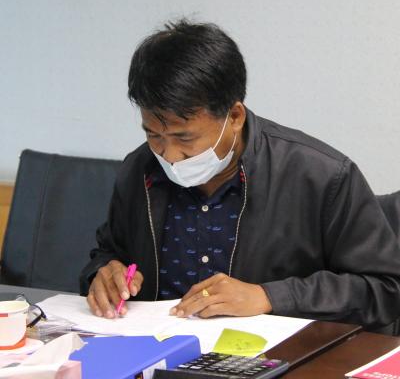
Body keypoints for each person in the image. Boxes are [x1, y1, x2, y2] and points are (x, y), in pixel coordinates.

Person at [80, 19, 400, 329]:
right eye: (153, 135)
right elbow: (110, 252)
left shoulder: (321, 176)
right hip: (156, 350)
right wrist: (103, 274)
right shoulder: (140, 169)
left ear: (234, 116)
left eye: (185, 138)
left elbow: (385, 288)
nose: (170, 155)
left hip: (278, 355)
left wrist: (269, 297)